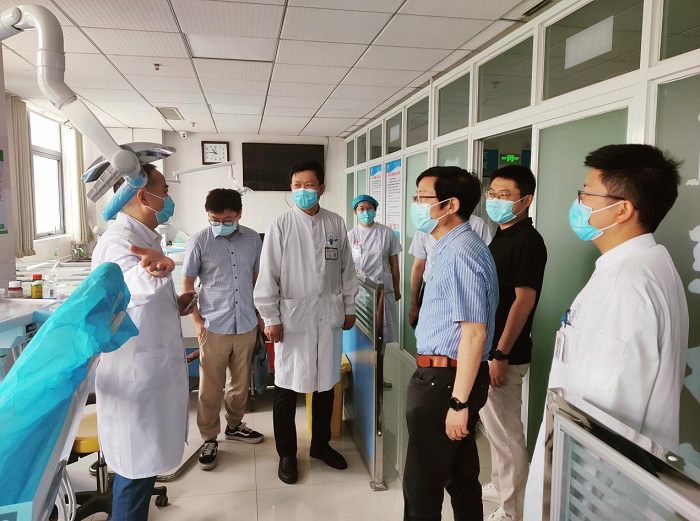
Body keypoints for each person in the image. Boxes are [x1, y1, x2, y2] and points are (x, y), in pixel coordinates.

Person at [523, 144, 689, 520]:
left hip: (591, 498)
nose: (578, 203)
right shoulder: (648, 263)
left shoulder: (624, 288)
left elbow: (602, 421)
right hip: (612, 488)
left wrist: (570, 501)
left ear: (623, 209)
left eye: (586, 194)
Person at [91, 165, 195, 521]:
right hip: (135, 377)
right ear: (142, 195)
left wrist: (174, 304)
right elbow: (127, 289)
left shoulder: (147, 237)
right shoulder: (117, 242)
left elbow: (142, 300)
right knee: (134, 475)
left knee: (142, 470)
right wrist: (150, 273)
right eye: (164, 190)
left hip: (152, 371)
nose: (168, 198)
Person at [254, 160, 359, 485]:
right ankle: (287, 453)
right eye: (297, 185)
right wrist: (270, 317)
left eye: (309, 185)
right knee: (287, 387)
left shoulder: (335, 223)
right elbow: (268, 275)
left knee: (326, 384)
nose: (302, 191)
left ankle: (320, 445)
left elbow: (347, 270)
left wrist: (350, 306)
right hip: (292, 320)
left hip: (328, 317)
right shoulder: (280, 225)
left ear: (321, 189)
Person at [403, 166, 499, 521]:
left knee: (422, 486)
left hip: (445, 382)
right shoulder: (449, 246)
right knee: (459, 476)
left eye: (422, 197)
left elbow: (475, 333)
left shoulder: (461, 253)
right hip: (447, 378)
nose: (416, 204)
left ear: (450, 205)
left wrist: (458, 402)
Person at [479, 166, 547, 521]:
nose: (495, 200)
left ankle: (513, 508)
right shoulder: (502, 235)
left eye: (504, 195)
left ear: (526, 200)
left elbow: (523, 301)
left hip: (505, 353)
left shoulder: (527, 241)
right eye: (492, 193)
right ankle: (499, 483)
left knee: (507, 433)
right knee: (495, 429)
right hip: (492, 349)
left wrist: (500, 353)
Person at [182, 188, 264, 471]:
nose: (220, 224)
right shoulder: (199, 241)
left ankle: (234, 425)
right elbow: (187, 285)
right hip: (213, 324)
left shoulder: (253, 239)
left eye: (226, 220)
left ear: (239, 214)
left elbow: (257, 279)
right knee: (210, 387)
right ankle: (208, 437)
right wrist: (197, 321)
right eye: (214, 219)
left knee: (240, 383)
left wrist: (260, 314)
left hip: (246, 322)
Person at [408, 214, 492, 328]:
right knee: (429, 331)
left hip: (466, 291)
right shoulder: (426, 225)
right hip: (431, 289)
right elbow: (418, 266)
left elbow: (487, 262)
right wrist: (414, 304)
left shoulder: (478, 224)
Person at [347, 194, 402, 343]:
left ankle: (381, 355)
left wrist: (396, 289)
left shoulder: (386, 232)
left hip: (383, 287)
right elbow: (346, 267)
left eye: (369, 208)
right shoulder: (350, 236)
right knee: (363, 331)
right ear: (355, 212)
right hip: (360, 290)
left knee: (383, 332)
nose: (366, 212)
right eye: (361, 209)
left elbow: (394, 264)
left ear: (375, 210)